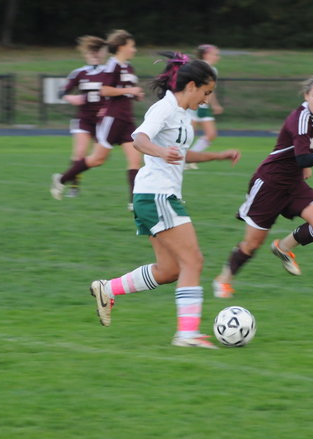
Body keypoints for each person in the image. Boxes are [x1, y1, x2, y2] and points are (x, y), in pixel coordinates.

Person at [89, 52, 241, 349]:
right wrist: (161, 152)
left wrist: (217, 155)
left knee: (169, 270)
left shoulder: (183, 114)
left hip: (156, 196)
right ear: (192, 86)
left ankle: (107, 289)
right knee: (193, 260)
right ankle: (187, 334)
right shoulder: (165, 108)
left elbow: (181, 154)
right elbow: (139, 139)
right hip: (156, 195)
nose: (207, 99)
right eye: (206, 92)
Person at [212, 76, 313, 299]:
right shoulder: (301, 118)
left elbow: (305, 151)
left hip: (294, 183)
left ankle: (283, 247)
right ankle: (223, 280)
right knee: (252, 245)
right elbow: (302, 158)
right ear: (306, 95)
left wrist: (305, 165)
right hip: (270, 184)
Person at [51, 29, 143, 208]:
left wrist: (135, 94)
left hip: (127, 120)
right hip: (112, 119)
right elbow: (105, 90)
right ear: (122, 47)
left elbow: (124, 91)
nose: (135, 49)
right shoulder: (113, 65)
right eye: (132, 46)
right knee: (97, 159)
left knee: (136, 160)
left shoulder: (129, 67)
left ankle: (134, 203)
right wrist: (129, 90)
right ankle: (62, 179)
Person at [52, 36, 109, 198]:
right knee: (79, 154)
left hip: (103, 121)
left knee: (98, 159)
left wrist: (107, 108)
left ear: (103, 53)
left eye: (98, 52)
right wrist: (72, 98)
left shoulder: (109, 72)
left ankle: (67, 179)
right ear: (85, 54)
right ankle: (74, 187)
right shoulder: (79, 73)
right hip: (84, 119)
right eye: (91, 52)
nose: (95, 55)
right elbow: (62, 92)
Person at [186, 44, 224, 169]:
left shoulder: (213, 70)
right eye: (215, 54)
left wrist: (215, 104)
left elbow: (210, 90)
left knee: (211, 134)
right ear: (206, 55)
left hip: (204, 107)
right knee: (188, 135)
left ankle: (190, 159)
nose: (217, 57)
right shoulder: (198, 68)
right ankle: (181, 158)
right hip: (193, 105)